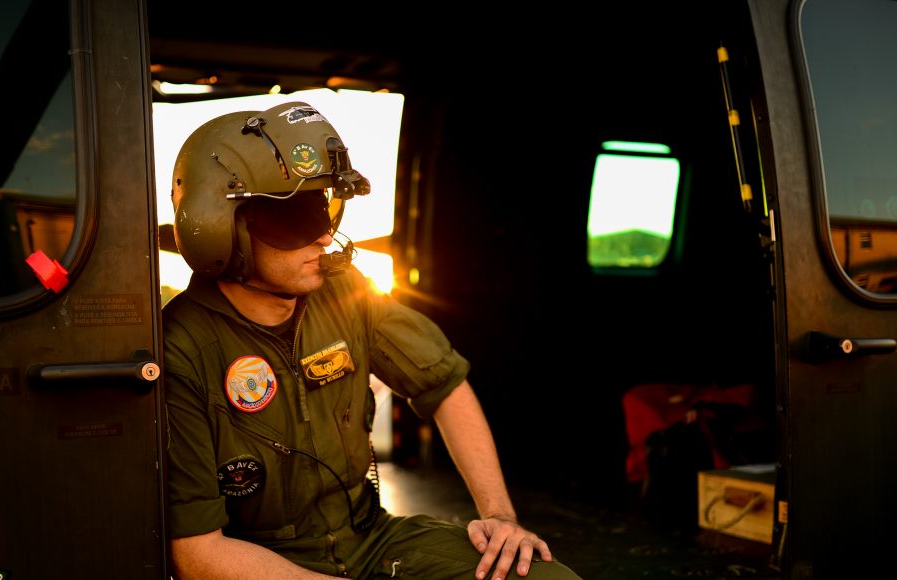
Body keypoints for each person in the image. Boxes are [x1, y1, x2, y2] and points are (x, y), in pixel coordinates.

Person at [162, 101, 582, 580]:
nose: (324, 238)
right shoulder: (181, 346)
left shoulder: (346, 292)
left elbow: (444, 385)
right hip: (264, 561)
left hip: (369, 540)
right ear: (221, 227)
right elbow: (197, 554)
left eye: (323, 209)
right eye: (295, 216)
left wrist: (500, 516)